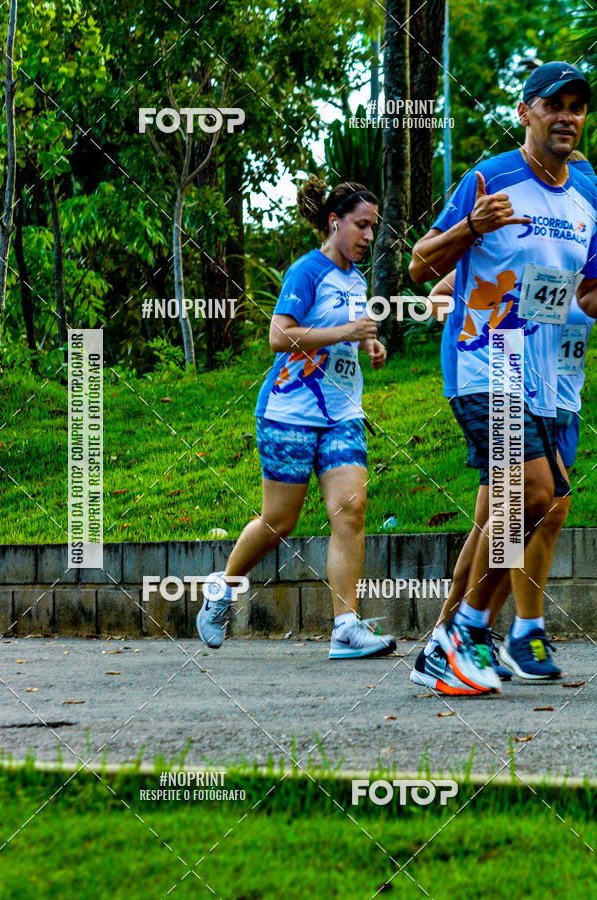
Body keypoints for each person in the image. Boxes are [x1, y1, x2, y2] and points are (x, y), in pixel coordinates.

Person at [409, 61, 597, 693]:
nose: (566, 115)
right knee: (535, 497)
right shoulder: (489, 177)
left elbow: (589, 293)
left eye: (577, 106)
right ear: (526, 112)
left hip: (552, 374)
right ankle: (468, 632)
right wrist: (472, 226)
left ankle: (445, 642)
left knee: (506, 510)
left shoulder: (589, 191)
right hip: (487, 357)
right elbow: (418, 266)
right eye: (553, 105)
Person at [196, 176, 397, 659]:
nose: (369, 236)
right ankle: (222, 588)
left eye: (373, 227)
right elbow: (279, 336)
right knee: (278, 521)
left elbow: (343, 331)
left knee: (351, 510)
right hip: (288, 412)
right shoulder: (306, 272)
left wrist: (367, 342)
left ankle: (346, 628)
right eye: (361, 225)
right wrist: (348, 328)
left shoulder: (354, 278)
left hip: (342, 414)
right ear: (335, 222)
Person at [411, 263, 594, 693]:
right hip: (507, 391)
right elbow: (440, 293)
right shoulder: (526, 245)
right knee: (523, 510)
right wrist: (477, 327)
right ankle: (477, 636)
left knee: (509, 517)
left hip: (561, 404)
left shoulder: (582, 242)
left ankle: (457, 639)